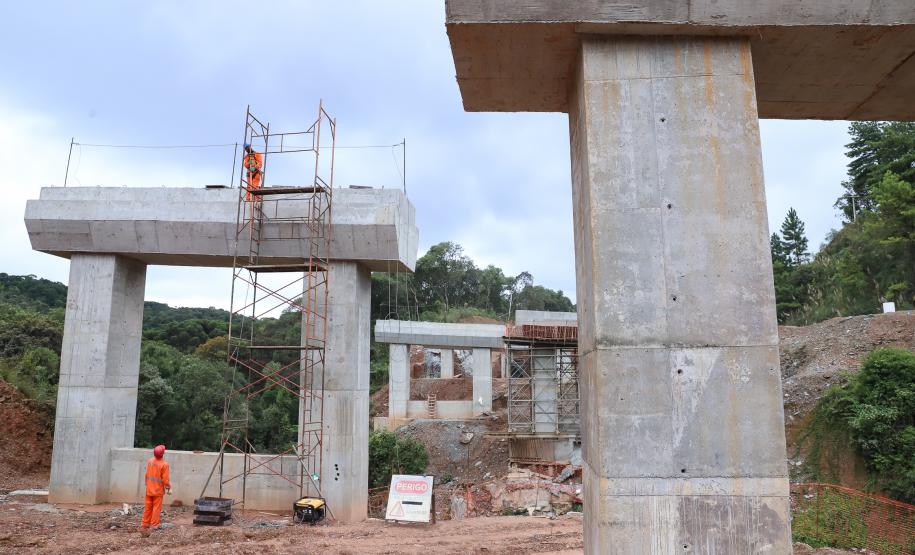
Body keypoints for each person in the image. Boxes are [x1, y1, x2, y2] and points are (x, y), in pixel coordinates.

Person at [140, 444, 171, 537]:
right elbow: (165, 479)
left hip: (149, 489)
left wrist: (147, 484)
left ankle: (145, 524)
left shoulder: (150, 461)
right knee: (156, 508)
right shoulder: (164, 464)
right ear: (162, 454)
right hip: (157, 491)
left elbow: (147, 475)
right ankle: (154, 525)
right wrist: (168, 487)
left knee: (148, 508)